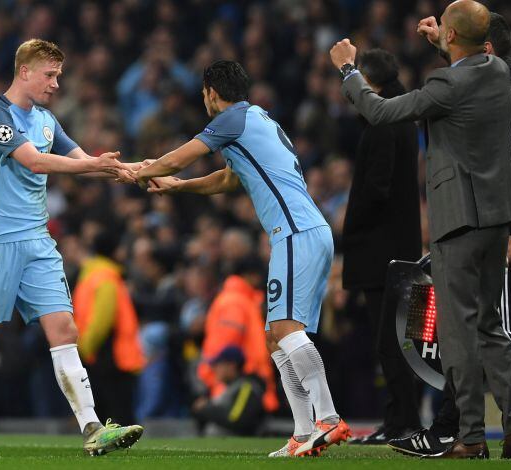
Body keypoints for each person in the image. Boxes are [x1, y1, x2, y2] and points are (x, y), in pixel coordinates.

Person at [331, 0, 511, 459]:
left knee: (457, 332)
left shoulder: (444, 83)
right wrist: (442, 42)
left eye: (444, 25)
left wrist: (348, 71)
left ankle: (471, 436)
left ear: (454, 38)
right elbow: (467, 69)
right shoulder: (497, 70)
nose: (438, 29)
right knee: (490, 326)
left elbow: (381, 112)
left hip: (458, 218)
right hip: (498, 217)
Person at [135, 60, 351, 457]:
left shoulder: (231, 119)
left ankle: (329, 419)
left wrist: (141, 171)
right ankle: (304, 432)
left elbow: (183, 155)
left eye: (204, 94)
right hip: (305, 231)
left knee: (285, 328)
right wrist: (177, 187)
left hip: (295, 233)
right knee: (275, 336)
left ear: (211, 93)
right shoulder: (257, 120)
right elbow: (228, 178)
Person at [389, 12, 511, 457]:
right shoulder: (506, 78)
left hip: (510, 218)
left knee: (505, 329)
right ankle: (452, 427)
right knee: (474, 328)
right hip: (507, 217)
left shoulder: (501, 94)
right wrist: (444, 41)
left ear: (485, 52)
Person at [0, 39, 143, 457]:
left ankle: (92, 429)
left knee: (65, 330)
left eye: (58, 75)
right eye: (50, 75)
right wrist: (93, 164)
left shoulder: (46, 120)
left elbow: (81, 160)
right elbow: (35, 162)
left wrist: (133, 172)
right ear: (24, 71)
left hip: (38, 242)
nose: (56, 83)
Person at [340, 49, 422, 445]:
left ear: (369, 85)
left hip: (381, 249)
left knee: (390, 341)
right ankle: (401, 419)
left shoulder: (384, 124)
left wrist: (350, 226)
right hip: (396, 244)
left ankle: (402, 422)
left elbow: (376, 189)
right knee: (396, 340)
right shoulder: (403, 118)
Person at [72, 228, 146, 427]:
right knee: (120, 416)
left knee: (102, 413)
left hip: (96, 355)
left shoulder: (89, 276)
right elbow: (102, 322)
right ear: (113, 250)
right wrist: (89, 347)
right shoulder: (107, 278)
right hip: (111, 357)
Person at [198, 256, 279, 415]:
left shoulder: (243, 300)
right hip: (237, 383)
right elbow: (225, 347)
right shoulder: (235, 302)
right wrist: (222, 380)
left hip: (242, 381)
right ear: (250, 275)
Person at [192, 346, 266, 436]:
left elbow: (235, 419)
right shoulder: (229, 387)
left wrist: (206, 408)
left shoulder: (246, 387)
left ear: (232, 365)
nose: (214, 369)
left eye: (218, 364)